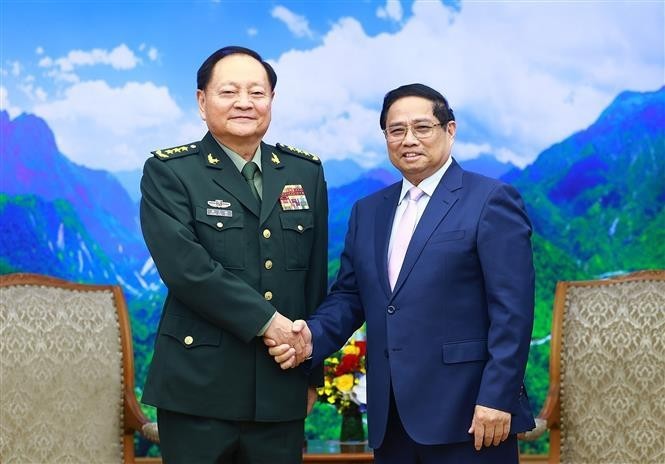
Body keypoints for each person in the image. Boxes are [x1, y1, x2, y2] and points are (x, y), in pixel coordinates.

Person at [267, 83, 535, 463]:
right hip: (390, 417)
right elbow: (349, 296)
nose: (409, 139)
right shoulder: (368, 210)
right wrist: (310, 338)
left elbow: (513, 311)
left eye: (422, 127)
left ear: (450, 130)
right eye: (396, 130)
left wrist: (497, 397)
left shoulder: (491, 200)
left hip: (471, 416)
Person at [140, 46, 328, 464]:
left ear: (272, 102)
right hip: (197, 389)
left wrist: (311, 370)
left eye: (257, 92)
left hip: (281, 387)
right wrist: (268, 323)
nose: (245, 102)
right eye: (229, 91)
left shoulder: (305, 173)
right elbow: (186, 270)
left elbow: (314, 280)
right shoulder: (170, 172)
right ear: (202, 102)